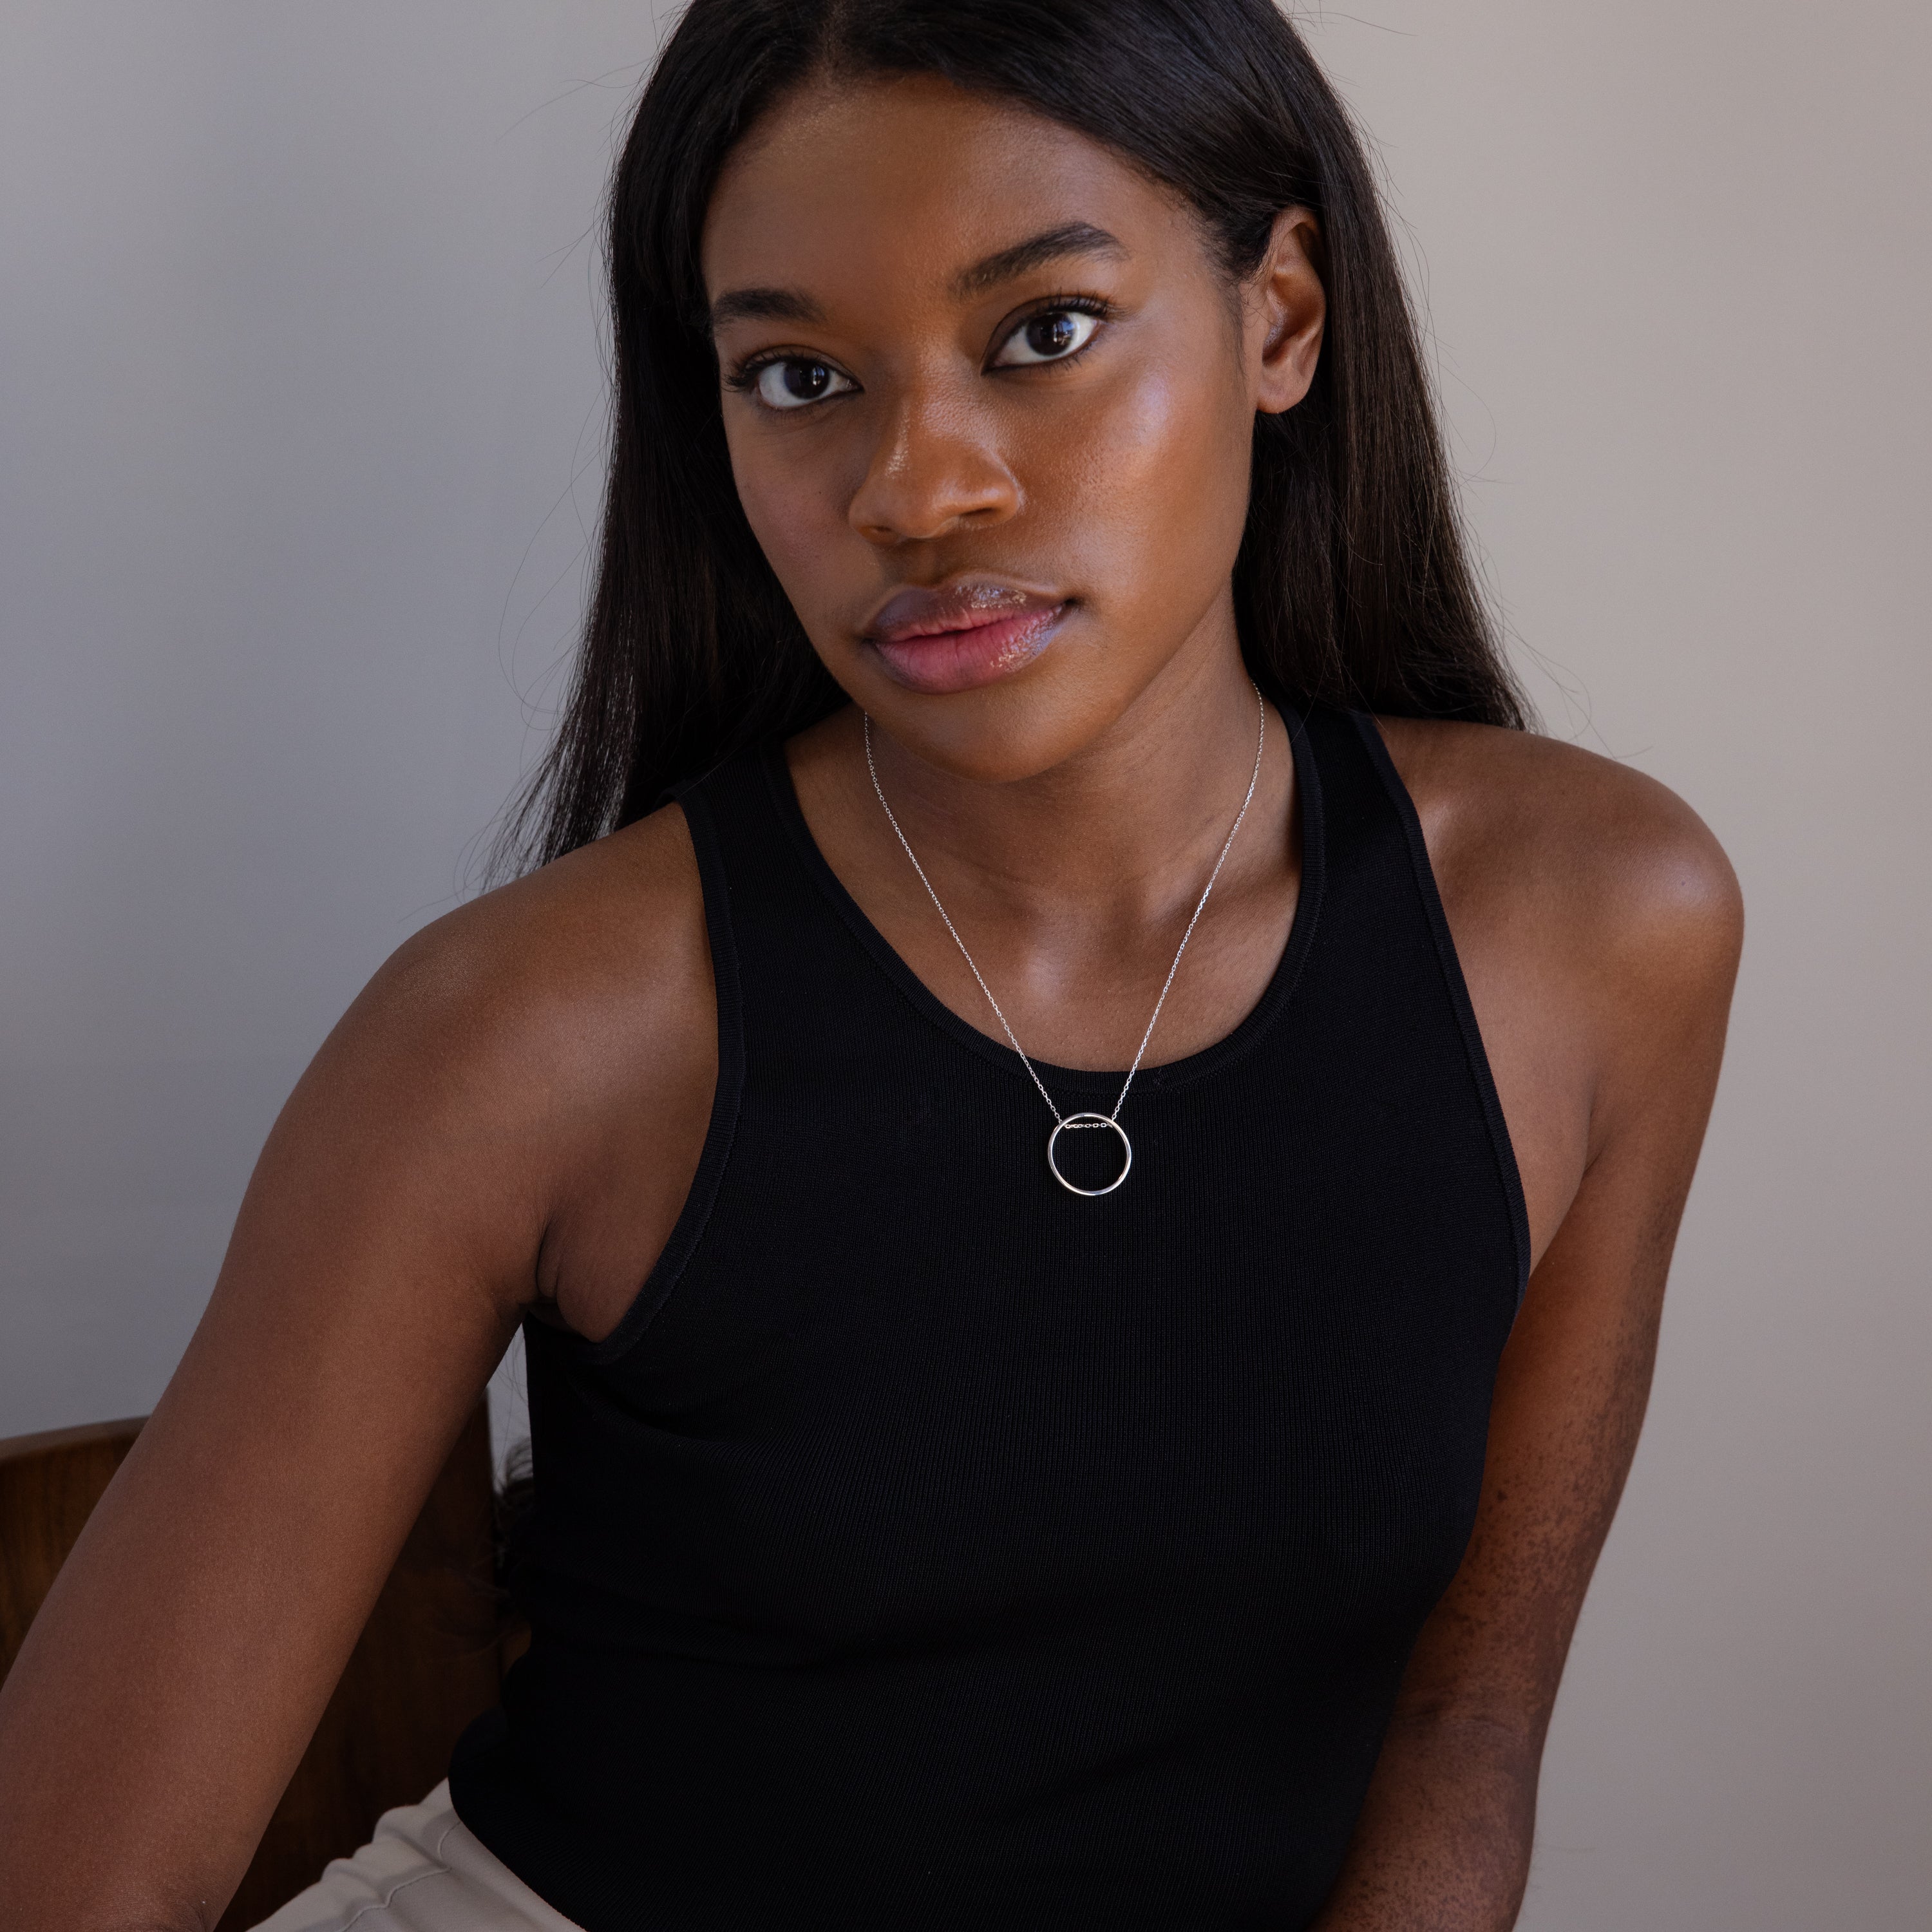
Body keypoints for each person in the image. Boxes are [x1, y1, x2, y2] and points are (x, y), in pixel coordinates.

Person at [0, 2, 1743, 1927]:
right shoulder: (527, 1033)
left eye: (1045, 333)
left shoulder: (1597, 927)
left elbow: (1464, 1729)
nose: (917, 491)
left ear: (1282, 317)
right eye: (800, 376)